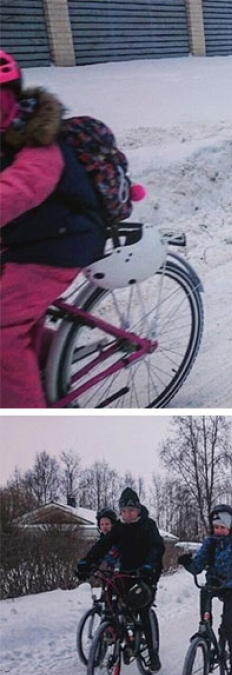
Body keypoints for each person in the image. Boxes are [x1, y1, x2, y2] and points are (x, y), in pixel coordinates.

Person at [0, 49, 107, 408]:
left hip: (61, 244)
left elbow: (17, 189)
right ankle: (47, 366)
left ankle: (31, 422)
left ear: (11, 98)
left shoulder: (40, 142)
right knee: (16, 321)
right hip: (25, 239)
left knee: (2, 330)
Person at [76, 487, 165, 670]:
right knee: (111, 599)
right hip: (125, 572)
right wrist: (87, 561)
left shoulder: (148, 525)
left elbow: (157, 548)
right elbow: (103, 544)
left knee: (142, 608)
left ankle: (152, 653)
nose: (127, 515)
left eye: (131, 511)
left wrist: (149, 565)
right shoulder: (119, 528)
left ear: (138, 510)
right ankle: (115, 631)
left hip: (145, 573)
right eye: (123, 511)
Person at [178, 504, 232, 675]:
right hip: (215, 582)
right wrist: (188, 564)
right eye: (215, 527)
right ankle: (205, 629)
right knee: (205, 595)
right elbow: (198, 564)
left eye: (222, 527)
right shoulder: (210, 543)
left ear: (230, 527)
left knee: (228, 623)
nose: (218, 531)